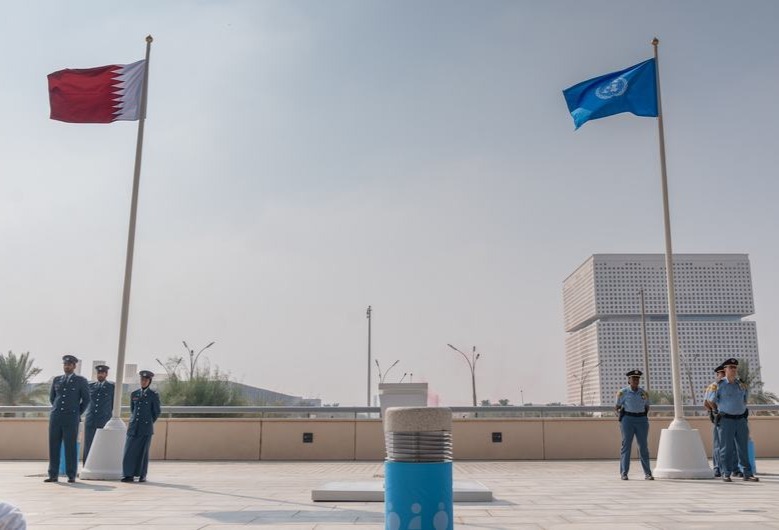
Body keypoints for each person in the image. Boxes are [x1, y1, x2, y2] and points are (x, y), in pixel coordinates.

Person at [707, 357, 758, 482]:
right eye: (731, 367)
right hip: (726, 420)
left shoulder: (741, 384)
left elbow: (745, 400)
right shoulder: (718, 385)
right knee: (726, 448)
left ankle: (747, 473)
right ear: (725, 369)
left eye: (735, 367)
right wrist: (715, 411)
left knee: (742, 448)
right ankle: (726, 473)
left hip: (741, 420)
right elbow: (710, 400)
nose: (733, 370)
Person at [45, 354, 90, 483]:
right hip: (56, 417)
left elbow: (86, 400)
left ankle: (71, 475)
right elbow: (52, 398)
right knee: (54, 446)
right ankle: (53, 474)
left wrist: (77, 413)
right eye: (65, 364)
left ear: (74, 366)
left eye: (69, 364)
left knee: (70, 447)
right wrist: (57, 410)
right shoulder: (57, 379)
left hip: (71, 418)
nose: (67, 366)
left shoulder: (81, 381)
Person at [122, 370, 161, 483]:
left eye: (146, 380)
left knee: (143, 452)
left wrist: (148, 421)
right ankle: (128, 474)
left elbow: (156, 412)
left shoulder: (153, 395)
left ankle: (142, 475)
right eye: (142, 380)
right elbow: (132, 410)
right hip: (134, 427)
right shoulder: (134, 394)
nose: (143, 382)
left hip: (145, 428)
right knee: (129, 451)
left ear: (149, 381)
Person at [615, 369, 652, 480]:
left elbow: (647, 407)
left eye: (637, 379)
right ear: (629, 380)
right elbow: (617, 407)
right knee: (626, 446)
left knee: (643, 447)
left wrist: (642, 416)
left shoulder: (643, 393)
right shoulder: (623, 392)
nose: (635, 380)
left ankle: (648, 473)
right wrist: (622, 419)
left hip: (641, 420)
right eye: (633, 379)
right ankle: (624, 472)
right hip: (628, 419)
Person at [83, 364, 115, 464]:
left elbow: (113, 403)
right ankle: (87, 464)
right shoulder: (90, 386)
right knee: (88, 443)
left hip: (104, 420)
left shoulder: (111, 387)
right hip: (91, 419)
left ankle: (100, 464)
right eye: (99, 373)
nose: (100, 375)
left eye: (102, 373)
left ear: (106, 374)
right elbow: (85, 401)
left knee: (103, 444)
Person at [703, 364, 725, 477]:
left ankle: (729, 468)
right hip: (720, 416)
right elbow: (707, 403)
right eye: (722, 373)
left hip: (731, 416)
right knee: (718, 443)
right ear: (717, 374)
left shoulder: (730, 385)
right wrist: (713, 412)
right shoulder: (714, 386)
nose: (724, 375)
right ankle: (717, 468)